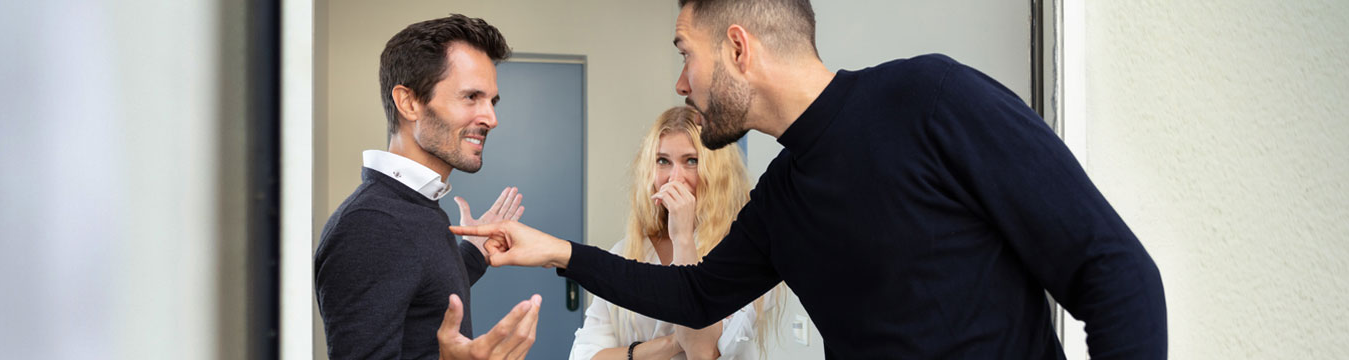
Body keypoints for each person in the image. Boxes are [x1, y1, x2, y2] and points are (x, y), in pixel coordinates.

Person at [452, 0, 1169, 358]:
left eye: (686, 55)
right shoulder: (785, 198)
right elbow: (696, 293)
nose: (681, 81)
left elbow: (1113, 272)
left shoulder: (931, 99)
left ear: (737, 48)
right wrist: (556, 251)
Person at [315, 14, 541, 360]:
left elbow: (418, 298)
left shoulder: (413, 206)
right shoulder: (371, 224)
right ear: (409, 103)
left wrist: (473, 255)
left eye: (491, 101)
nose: (491, 119)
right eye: (471, 97)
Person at [568, 107, 780, 360]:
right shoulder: (627, 251)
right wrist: (669, 345)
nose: (674, 178)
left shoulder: (744, 254)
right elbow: (584, 355)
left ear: (718, 173)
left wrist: (682, 239)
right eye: (663, 161)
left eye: (691, 161)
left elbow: (701, 352)